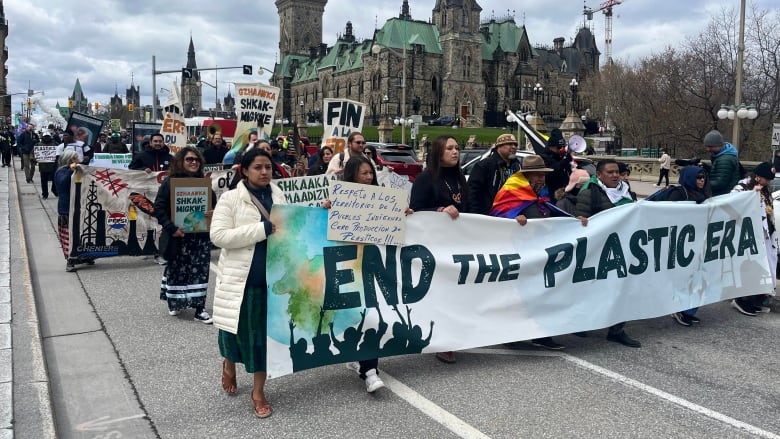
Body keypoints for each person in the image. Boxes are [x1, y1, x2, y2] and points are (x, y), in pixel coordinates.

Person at [321, 155, 410, 392]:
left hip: (372, 266)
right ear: (352, 176)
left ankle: (369, 370)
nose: (369, 177)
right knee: (355, 314)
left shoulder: (383, 201)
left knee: (372, 313)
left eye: (371, 173)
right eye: (364, 173)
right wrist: (325, 209)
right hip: (347, 266)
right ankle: (358, 357)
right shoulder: (338, 201)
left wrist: (403, 214)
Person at [211, 148, 287, 418]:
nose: (265, 172)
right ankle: (229, 365)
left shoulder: (279, 195)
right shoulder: (231, 199)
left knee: (261, 340)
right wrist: (261, 230)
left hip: (270, 282)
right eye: (258, 167)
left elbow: (293, 224)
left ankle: (258, 391)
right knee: (232, 332)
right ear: (244, 170)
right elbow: (218, 236)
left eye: (268, 167)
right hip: (241, 282)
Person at [490, 155, 589, 350]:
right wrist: (513, 219)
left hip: (541, 253)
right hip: (519, 253)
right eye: (537, 175)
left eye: (543, 175)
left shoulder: (540, 194)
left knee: (542, 294)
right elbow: (497, 216)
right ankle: (512, 334)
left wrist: (572, 220)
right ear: (526, 176)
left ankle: (542, 334)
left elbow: (551, 214)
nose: (541, 179)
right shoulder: (511, 192)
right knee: (518, 297)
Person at [409, 135, 468, 363]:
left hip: (458, 244)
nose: (456, 151)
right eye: (450, 148)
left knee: (457, 293)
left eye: (457, 147)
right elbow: (416, 211)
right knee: (441, 293)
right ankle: (442, 340)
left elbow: (469, 207)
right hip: (435, 247)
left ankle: (454, 335)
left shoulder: (460, 178)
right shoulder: (425, 179)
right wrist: (440, 209)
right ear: (438, 152)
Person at [575, 159, 641, 348]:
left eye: (617, 172)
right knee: (594, 289)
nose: (614, 175)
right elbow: (580, 222)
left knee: (622, 289)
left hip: (624, 248)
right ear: (599, 175)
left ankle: (617, 330)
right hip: (600, 250)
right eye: (610, 172)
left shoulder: (626, 191)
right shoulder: (590, 193)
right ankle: (582, 322)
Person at [153, 147, 215, 323]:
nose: (193, 162)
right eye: (189, 159)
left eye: (196, 159)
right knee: (177, 270)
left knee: (201, 271)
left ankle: (199, 308)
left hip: (200, 237)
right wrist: (172, 228)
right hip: (178, 236)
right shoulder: (170, 183)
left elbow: (213, 204)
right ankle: (175, 302)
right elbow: (158, 207)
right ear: (181, 161)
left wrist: (212, 212)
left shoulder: (204, 184)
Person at [730, 162, 776, 316]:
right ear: (758, 176)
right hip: (749, 235)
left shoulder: (766, 189)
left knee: (762, 268)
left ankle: (753, 300)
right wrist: (750, 195)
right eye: (766, 179)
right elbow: (731, 202)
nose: (768, 182)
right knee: (749, 267)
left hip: (765, 235)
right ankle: (741, 299)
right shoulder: (743, 187)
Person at [667, 166, 710, 326]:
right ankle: (679, 308)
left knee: (698, 277)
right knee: (684, 277)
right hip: (680, 243)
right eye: (698, 177)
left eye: (703, 177)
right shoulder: (678, 193)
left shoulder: (703, 194)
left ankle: (690, 310)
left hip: (696, 242)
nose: (701, 180)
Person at [467, 133, 520, 214]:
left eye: (515, 145)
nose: (513, 147)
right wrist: (475, 215)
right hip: (489, 215)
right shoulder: (484, 166)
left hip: (511, 213)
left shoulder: (517, 166)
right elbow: (473, 193)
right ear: (499, 147)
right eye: (509, 144)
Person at [54, 150, 87, 272]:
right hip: (66, 208)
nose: (79, 159)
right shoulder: (61, 171)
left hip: (79, 207)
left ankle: (82, 256)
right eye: (76, 158)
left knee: (80, 233)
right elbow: (62, 184)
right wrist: (70, 171)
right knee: (68, 235)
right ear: (72, 160)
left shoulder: (78, 170)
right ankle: (70, 260)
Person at [703, 130, 740, 196]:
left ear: (718, 145)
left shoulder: (725, 160)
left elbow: (720, 183)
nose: (708, 149)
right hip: (724, 194)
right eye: (707, 146)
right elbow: (720, 172)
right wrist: (706, 167)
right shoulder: (723, 156)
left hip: (723, 196)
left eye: (710, 146)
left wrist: (701, 183)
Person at [538, 128, 572, 200]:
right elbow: (551, 172)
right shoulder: (543, 157)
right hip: (550, 194)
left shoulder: (561, 157)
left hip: (564, 193)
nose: (561, 149)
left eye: (563, 147)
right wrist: (565, 161)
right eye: (559, 147)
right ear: (551, 146)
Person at [35, 134, 58, 200]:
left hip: (52, 166)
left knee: (54, 180)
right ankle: (45, 194)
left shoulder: (55, 144)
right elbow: (34, 153)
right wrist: (34, 159)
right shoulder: (38, 144)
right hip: (43, 166)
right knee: (44, 181)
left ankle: (53, 190)